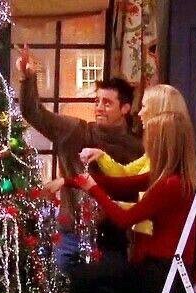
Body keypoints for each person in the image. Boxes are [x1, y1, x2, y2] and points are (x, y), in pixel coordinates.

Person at [56, 85, 196, 293]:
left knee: (80, 284)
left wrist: (91, 188)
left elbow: (123, 218)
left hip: (161, 272)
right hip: (152, 269)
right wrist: (77, 179)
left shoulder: (170, 183)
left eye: (146, 111)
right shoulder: (165, 176)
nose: (140, 116)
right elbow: (119, 185)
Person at [16, 45, 144, 269]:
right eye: (97, 101)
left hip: (112, 239)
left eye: (107, 103)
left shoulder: (137, 148)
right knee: (64, 288)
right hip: (71, 237)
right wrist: (28, 79)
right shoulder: (76, 131)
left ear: (125, 108)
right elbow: (34, 113)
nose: (99, 108)